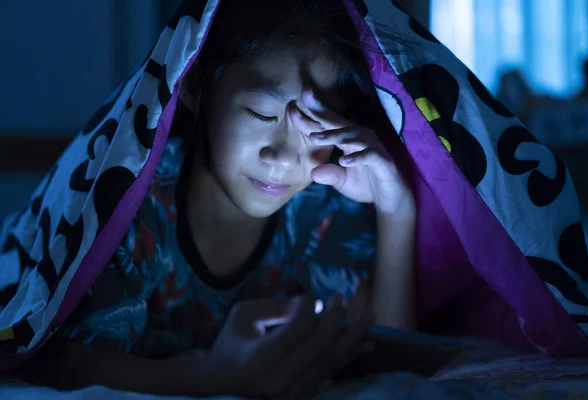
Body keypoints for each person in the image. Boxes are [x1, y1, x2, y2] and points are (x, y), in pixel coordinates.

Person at [24, 0, 416, 398]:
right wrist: (217, 378)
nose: (282, 155)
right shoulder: (135, 201)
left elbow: (388, 363)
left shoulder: (327, 206)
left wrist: (397, 210)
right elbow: (75, 368)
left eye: (317, 126)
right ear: (196, 87)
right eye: (261, 113)